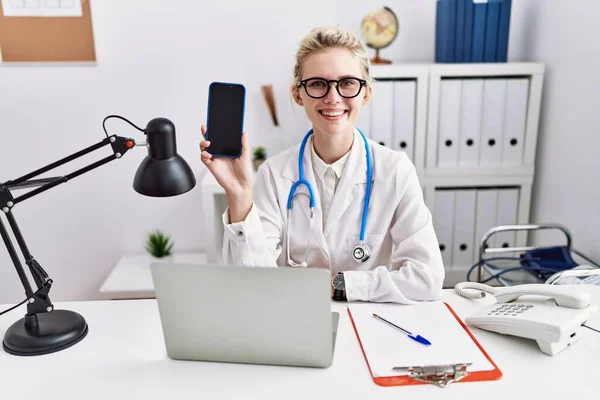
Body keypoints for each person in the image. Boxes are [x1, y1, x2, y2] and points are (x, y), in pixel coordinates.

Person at [200, 26, 444, 304]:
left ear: (365, 94)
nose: (333, 97)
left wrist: (337, 284)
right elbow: (249, 283)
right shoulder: (273, 173)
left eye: (348, 83)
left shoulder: (395, 170)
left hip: (370, 323)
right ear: (298, 94)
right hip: (293, 320)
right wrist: (239, 195)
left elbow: (427, 278)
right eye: (317, 83)